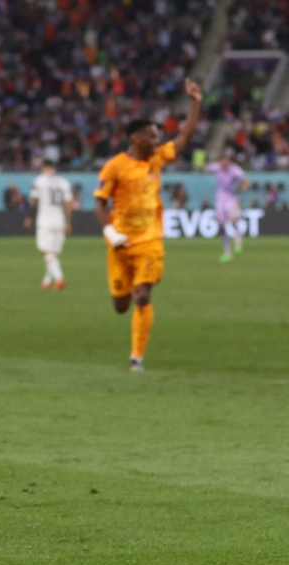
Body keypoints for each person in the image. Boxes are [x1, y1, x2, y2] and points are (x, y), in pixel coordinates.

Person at [94, 77, 202, 372]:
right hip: (119, 243)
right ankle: (128, 288)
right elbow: (99, 203)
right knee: (120, 305)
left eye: (157, 137)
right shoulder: (115, 166)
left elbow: (184, 139)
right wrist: (111, 232)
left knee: (143, 295)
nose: (158, 142)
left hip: (150, 241)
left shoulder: (156, 160)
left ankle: (136, 358)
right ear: (135, 140)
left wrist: (195, 102)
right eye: (152, 137)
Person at [23, 161, 73, 290]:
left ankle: (59, 278)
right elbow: (68, 204)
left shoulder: (40, 181)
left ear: (43, 168)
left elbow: (34, 201)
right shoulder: (63, 182)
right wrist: (68, 222)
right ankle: (46, 281)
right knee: (53, 254)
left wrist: (29, 217)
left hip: (45, 220)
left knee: (48, 252)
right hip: (59, 220)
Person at [206, 151, 249, 262]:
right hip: (220, 200)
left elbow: (246, 181)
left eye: (226, 160)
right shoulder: (217, 167)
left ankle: (238, 242)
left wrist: (242, 189)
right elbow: (206, 168)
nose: (224, 163)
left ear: (228, 161)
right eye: (222, 160)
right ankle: (227, 252)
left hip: (231, 198)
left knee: (234, 220)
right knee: (221, 225)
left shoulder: (234, 169)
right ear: (220, 161)